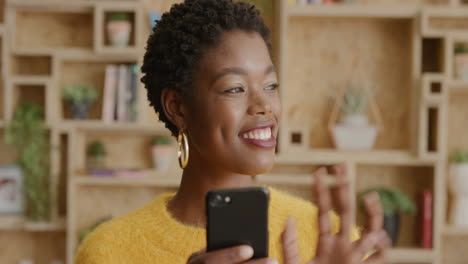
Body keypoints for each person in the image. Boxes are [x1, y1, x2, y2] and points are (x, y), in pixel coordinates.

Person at [75, 0, 390, 263]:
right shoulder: (109, 251)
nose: (264, 105)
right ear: (177, 107)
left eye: (271, 86)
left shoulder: (331, 241)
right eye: (235, 88)